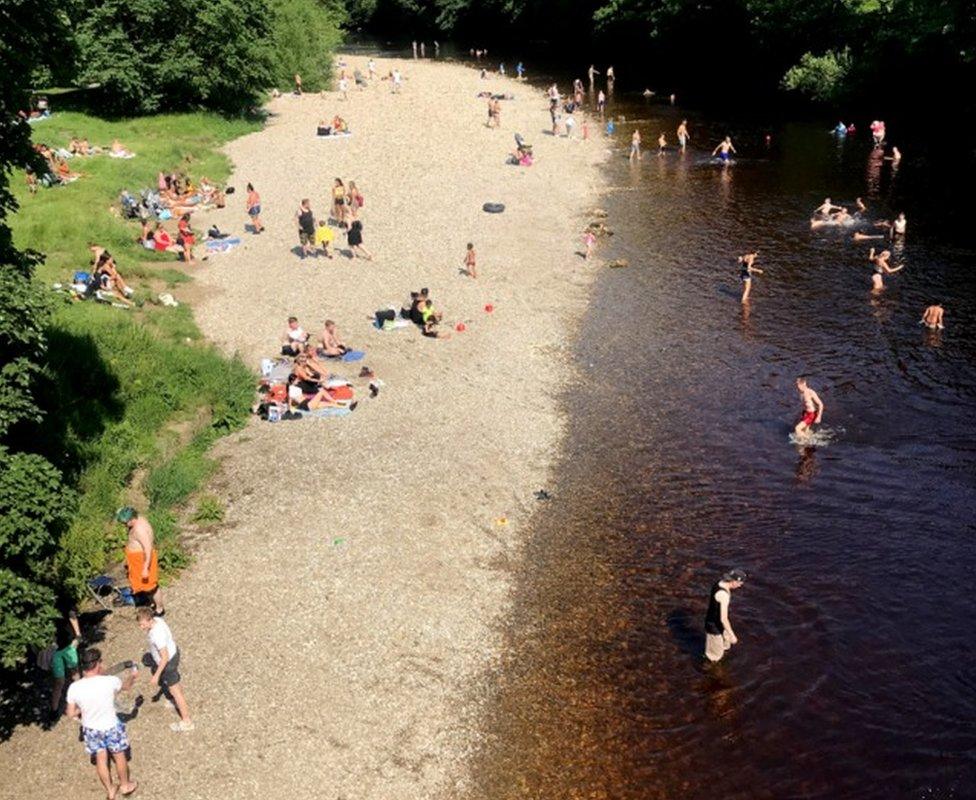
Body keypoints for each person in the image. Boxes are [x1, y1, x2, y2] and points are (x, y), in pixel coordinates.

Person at [66, 648, 139, 799]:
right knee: (119, 755)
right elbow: (126, 687)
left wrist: (83, 708)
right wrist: (132, 676)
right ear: (97, 663)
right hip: (111, 725)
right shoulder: (109, 681)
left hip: (91, 729)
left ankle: (110, 789)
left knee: (101, 758)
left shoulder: (74, 687)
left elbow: (71, 713)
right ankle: (125, 785)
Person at [136, 607, 193, 731]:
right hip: (174, 653)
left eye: (142, 624)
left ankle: (187, 721)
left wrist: (156, 675)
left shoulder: (157, 635)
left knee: (175, 690)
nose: (141, 627)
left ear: (149, 620)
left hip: (168, 663)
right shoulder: (158, 620)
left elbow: (165, 657)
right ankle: (174, 700)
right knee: (174, 686)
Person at [118, 507, 164, 614]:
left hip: (142, 560)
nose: (124, 525)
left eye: (125, 523)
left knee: (151, 587)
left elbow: (147, 548)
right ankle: (152, 603)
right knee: (146, 587)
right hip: (137, 560)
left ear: (132, 519)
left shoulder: (139, 530)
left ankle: (159, 609)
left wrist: (145, 568)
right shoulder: (139, 519)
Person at [703, 569, 746, 663]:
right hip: (714, 627)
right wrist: (732, 635)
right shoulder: (723, 595)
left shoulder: (719, 583)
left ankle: (722, 660)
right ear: (734, 581)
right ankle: (709, 668)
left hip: (719, 623)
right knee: (714, 657)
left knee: (726, 646)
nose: (740, 585)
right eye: (740, 583)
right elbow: (723, 619)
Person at [49, 608, 81, 716]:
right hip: (54, 651)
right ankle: (54, 709)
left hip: (68, 645)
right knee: (59, 681)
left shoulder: (61, 601)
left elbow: (72, 615)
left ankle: (83, 701)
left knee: (75, 675)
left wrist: (78, 636)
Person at [794, 376, 824, 441]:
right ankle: (807, 444)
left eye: (798, 385)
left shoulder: (810, 392)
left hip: (811, 414)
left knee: (797, 429)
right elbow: (806, 404)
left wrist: (819, 416)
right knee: (805, 430)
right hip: (806, 413)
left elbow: (820, 404)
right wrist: (803, 414)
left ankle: (809, 441)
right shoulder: (801, 393)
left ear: (804, 383)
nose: (797, 387)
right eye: (797, 385)